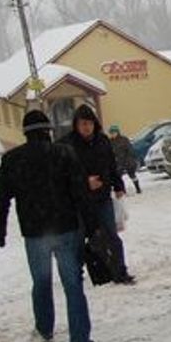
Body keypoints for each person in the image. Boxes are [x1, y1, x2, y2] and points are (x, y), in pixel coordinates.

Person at [0, 110, 96, 342]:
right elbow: (80, 193)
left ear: (25, 133)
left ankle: (45, 328)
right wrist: (92, 226)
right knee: (72, 284)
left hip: (35, 232)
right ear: (48, 130)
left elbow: (0, 200)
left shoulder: (13, 160)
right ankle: (79, 339)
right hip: (66, 228)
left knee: (41, 281)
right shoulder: (64, 153)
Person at [61, 104, 135, 285]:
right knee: (78, 240)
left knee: (112, 236)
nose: (86, 127)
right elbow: (63, 173)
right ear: (76, 125)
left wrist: (118, 185)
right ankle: (75, 275)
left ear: (95, 124)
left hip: (102, 198)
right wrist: (85, 182)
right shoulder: (67, 145)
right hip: (79, 202)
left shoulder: (102, 142)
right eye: (82, 124)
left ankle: (120, 271)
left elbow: (111, 165)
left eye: (89, 123)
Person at [108, 124, 141, 194]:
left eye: (113, 132)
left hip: (127, 161)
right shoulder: (110, 142)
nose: (112, 134)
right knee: (118, 177)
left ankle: (138, 188)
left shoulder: (124, 140)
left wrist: (130, 160)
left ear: (117, 132)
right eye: (111, 133)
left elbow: (130, 150)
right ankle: (123, 190)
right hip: (117, 162)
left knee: (132, 175)